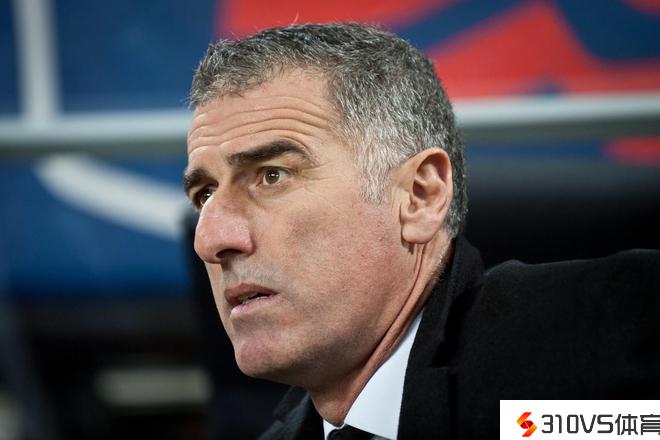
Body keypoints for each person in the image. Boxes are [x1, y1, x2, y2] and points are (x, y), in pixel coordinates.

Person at [183, 23, 660, 439]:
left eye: (272, 175)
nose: (210, 239)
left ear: (419, 196)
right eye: (204, 195)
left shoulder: (615, 337)